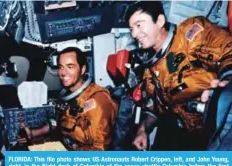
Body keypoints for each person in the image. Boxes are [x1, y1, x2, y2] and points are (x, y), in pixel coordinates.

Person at [125, 1, 232, 150]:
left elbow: (227, 50)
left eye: (139, 25)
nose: (134, 34)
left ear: (160, 21)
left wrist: (228, 80)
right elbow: (157, 107)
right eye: (131, 29)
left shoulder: (190, 35)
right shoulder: (150, 70)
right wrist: (143, 129)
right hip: (177, 132)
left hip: (212, 133)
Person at [17, 47, 118, 150]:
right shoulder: (69, 98)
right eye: (61, 67)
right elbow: (59, 124)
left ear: (82, 69)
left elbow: (100, 151)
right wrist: (32, 133)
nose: (63, 73)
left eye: (70, 67)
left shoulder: (97, 101)